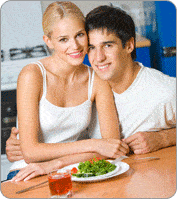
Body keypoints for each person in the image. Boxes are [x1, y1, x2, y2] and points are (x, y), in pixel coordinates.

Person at [7, 4, 176, 180]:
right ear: (48, 41)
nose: (75, 46)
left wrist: (163, 138)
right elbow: (30, 152)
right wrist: (94, 144)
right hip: (33, 170)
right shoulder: (33, 75)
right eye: (63, 39)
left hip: (78, 168)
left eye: (79, 35)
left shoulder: (98, 79)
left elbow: (110, 147)